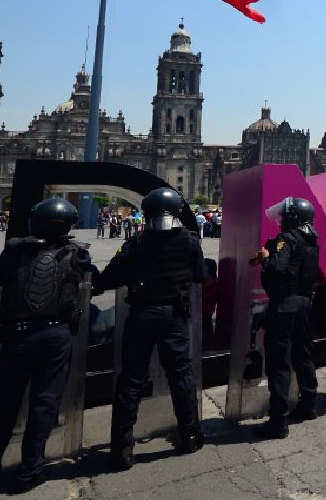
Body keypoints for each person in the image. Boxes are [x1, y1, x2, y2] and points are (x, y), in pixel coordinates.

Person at [97, 187, 204, 470]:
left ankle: (121, 448)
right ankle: (191, 435)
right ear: (178, 212)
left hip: (142, 314)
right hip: (174, 317)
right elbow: (201, 275)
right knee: (181, 375)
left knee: (131, 380)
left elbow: (108, 278)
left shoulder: (137, 242)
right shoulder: (190, 241)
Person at [0, 199, 92, 493]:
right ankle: (30, 470)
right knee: (45, 403)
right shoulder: (78, 253)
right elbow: (91, 279)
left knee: (3, 404)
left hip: (18, 336)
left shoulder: (15, 249)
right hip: (55, 335)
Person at [253, 197, 320, 439]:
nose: (281, 220)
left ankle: (278, 420)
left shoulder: (286, 239)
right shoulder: (312, 240)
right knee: (303, 354)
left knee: (279, 362)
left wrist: (266, 256)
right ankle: (309, 404)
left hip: (284, 305)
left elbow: (276, 268)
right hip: (304, 304)